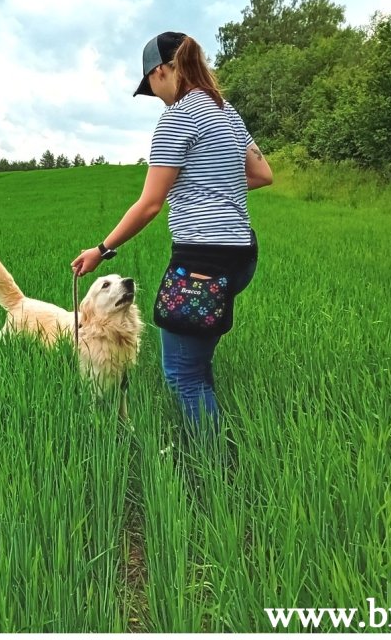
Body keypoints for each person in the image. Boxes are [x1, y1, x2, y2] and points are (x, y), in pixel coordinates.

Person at [71, 31, 272, 448]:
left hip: (203, 260)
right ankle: (213, 442)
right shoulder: (226, 111)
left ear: (164, 70)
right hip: (241, 255)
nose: (156, 95)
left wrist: (102, 250)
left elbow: (149, 204)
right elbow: (261, 174)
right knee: (198, 364)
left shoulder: (178, 117)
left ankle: (215, 470)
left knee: (182, 374)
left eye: (152, 85)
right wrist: (212, 187)